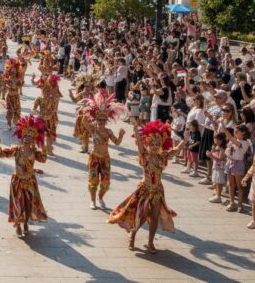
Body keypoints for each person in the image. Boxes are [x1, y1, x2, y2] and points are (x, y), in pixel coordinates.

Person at [107, 120, 185, 254]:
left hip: (157, 191)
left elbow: (176, 150)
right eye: (152, 144)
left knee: (154, 216)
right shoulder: (145, 156)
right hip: (144, 189)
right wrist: (136, 130)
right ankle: (132, 235)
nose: (154, 146)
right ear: (148, 144)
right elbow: (139, 145)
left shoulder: (162, 157)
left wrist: (185, 140)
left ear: (160, 145)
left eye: (157, 144)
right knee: (141, 215)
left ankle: (150, 242)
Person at [0, 115, 48, 238]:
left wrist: (44, 149)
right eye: (26, 136)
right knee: (18, 203)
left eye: (30, 137)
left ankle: (26, 223)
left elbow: (43, 160)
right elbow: (2, 154)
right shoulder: (16, 150)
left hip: (30, 181)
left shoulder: (34, 152)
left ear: (33, 138)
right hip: (17, 181)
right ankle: (18, 224)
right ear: (22, 137)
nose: (28, 138)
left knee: (28, 204)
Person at [79, 91, 127, 210]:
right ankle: (93, 200)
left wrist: (121, 135)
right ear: (96, 119)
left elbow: (117, 143)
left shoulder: (108, 132)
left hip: (105, 158)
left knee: (105, 183)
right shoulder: (93, 130)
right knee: (93, 181)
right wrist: (86, 111)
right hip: (94, 157)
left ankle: (100, 198)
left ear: (106, 120)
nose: (101, 121)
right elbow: (84, 122)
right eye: (99, 119)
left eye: (103, 119)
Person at [69, 72, 100, 154]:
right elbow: (75, 100)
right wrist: (71, 95)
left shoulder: (93, 94)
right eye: (86, 86)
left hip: (90, 114)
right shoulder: (81, 93)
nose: (87, 88)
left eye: (89, 86)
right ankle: (85, 147)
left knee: (90, 130)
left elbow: (97, 103)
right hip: (81, 114)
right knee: (83, 131)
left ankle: (88, 147)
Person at [32, 74, 62, 155]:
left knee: (50, 135)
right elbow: (34, 109)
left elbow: (54, 109)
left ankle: (49, 149)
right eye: (45, 91)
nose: (47, 92)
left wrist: (49, 115)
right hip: (40, 118)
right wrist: (39, 114)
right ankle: (43, 149)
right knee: (40, 135)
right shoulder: (39, 99)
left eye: (48, 91)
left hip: (50, 118)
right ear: (42, 91)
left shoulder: (53, 99)